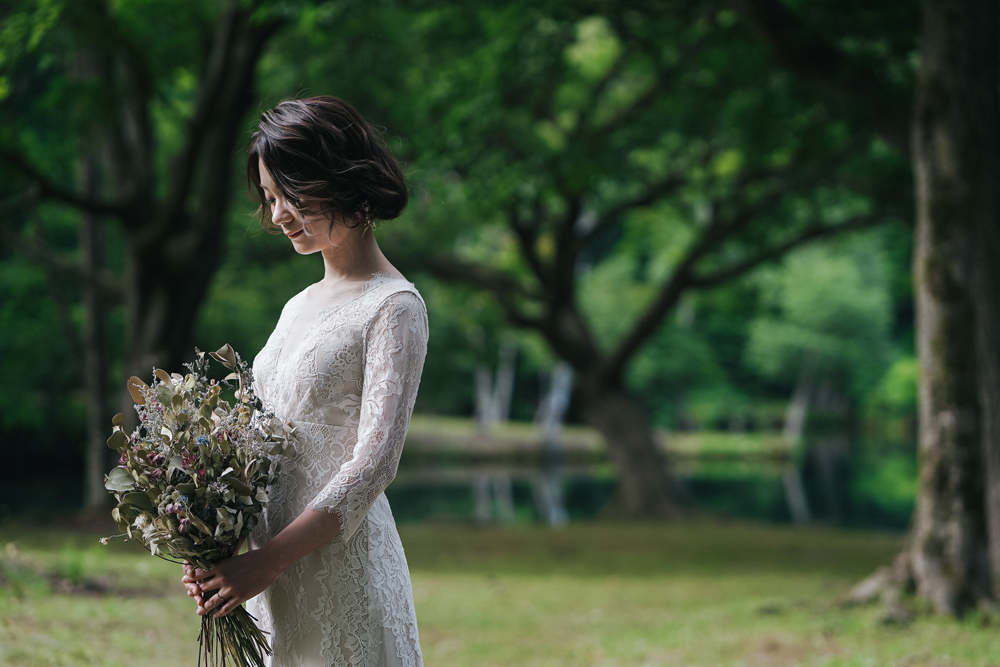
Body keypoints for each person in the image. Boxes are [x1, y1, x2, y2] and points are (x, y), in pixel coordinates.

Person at [181, 96, 426, 667]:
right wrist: (218, 542)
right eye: (269, 197)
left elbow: (374, 465)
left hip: (338, 569)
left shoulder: (394, 307)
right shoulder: (297, 307)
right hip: (268, 570)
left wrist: (267, 561)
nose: (278, 214)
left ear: (342, 179)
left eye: (291, 193)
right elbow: (259, 438)